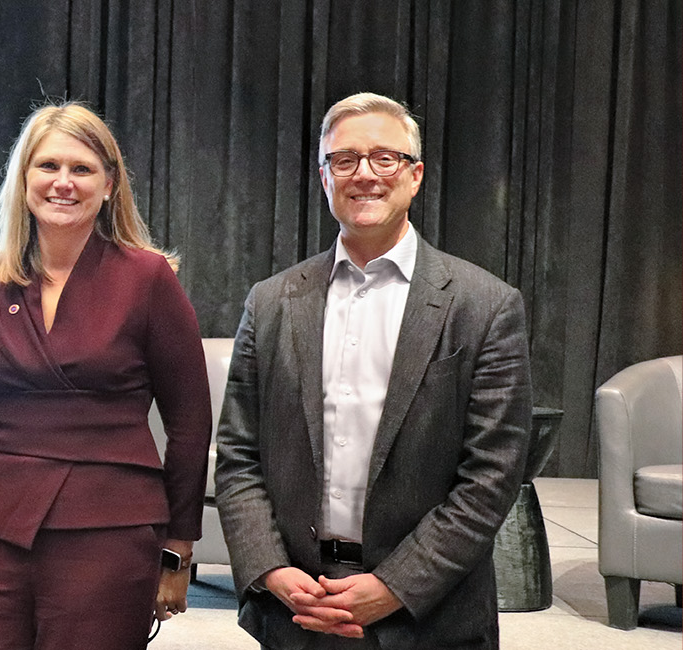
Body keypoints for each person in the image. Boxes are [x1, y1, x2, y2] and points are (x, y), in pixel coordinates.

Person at [214, 92, 532, 649]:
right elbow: (239, 456)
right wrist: (271, 571)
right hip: (297, 610)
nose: (365, 174)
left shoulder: (485, 306)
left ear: (415, 176)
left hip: (429, 618)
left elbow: (491, 478)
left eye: (385, 158)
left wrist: (393, 586)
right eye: (345, 160)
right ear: (323, 176)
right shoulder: (270, 302)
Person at [0, 102, 212, 649]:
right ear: (24, 179)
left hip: (110, 528)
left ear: (109, 185)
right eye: (48, 167)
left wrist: (180, 543)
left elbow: (190, 424)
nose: (63, 182)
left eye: (82, 169)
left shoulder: (148, 278)